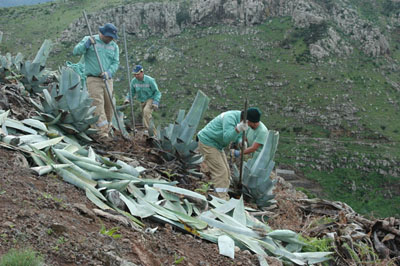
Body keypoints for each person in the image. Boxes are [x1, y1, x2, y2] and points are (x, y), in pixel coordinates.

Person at [72, 23, 120, 139]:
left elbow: (115, 62)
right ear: (102, 33)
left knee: (109, 106)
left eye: (112, 37)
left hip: (107, 80)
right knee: (97, 104)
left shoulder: (114, 46)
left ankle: (108, 129)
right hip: (93, 79)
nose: (110, 39)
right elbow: (76, 51)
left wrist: (109, 72)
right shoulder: (90, 40)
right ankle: (102, 133)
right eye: (108, 37)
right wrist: (86, 45)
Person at [197, 109, 250, 200]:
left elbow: (237, 136)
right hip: (208, 142)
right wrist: (237, 129)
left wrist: (240, 141)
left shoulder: (240, 121)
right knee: (221, 172)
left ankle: (223, 196)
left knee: (227, 173)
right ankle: (220, 199)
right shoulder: (230, 118)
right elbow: (227, 138)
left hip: (217, 145)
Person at [124, 65, 161, 131]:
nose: (136, 76)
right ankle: (152, 133)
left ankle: (150, 133)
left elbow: (157, 92)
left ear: (142, 72)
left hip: (150, 98)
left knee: (146, 111)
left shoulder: (150, 80)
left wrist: (156, 102)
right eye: (134, 74)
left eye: (137, 74)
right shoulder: (134, 81)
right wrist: (128, 98)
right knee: (145, 117)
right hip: (142, 101)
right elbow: (131, 92)